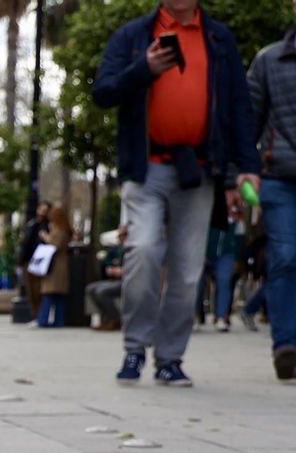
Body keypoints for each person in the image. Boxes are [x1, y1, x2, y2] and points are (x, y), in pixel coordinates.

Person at [94, 0, 259, 387]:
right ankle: (135, 349)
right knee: (145, 249)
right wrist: (143, 69)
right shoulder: (134, 35)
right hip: (146, 167)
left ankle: (169, 359)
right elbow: (103, 91)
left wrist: (244, 170)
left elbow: (239, 108)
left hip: (199, 170)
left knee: (187, 272)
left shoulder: (219, 38)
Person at [248, 29, 296, 379]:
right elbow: (249, 120)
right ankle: (286, 346)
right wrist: (240, 173)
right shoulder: (269, 59)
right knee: (285, 254)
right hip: (278, 174)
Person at [197, 180, 241, 331]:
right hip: (204, 252)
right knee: (198, 283)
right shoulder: (209, 214)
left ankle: (221, 316)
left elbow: (241, 240)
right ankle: (195, 314)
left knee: (224, 281)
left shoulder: (237, 220)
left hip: (226, 254)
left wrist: (237, 258)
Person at [37, 206, 73, 327]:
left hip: (56, 266)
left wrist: (46, 237)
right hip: (56, 265)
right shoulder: (60, 230)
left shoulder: (61, 231)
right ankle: (57, 321)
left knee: (50, 295)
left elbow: (55, 246)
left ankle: (44, 320)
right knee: (57, 297)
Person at [88, 225, 128, 331]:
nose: (121, 238)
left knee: (101, 292)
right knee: (91, 288)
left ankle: (115, 319)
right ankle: (106, 318)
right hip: (118, 280)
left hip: (129, 282)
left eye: (123, 235)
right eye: (119, 236)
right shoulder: (119, 249)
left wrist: (118, 271)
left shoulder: (133, 250)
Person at [19, 201, 51, 318]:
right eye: (41, 208)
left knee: (39, 290)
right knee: (30, 290)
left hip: (41, 262)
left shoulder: (48, 226)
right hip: (29, 261)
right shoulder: (31, 224)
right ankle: (35, 315)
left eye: (45, 209)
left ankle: (40, 316)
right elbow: (25, 244)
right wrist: (20, 261)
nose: (42, 211)